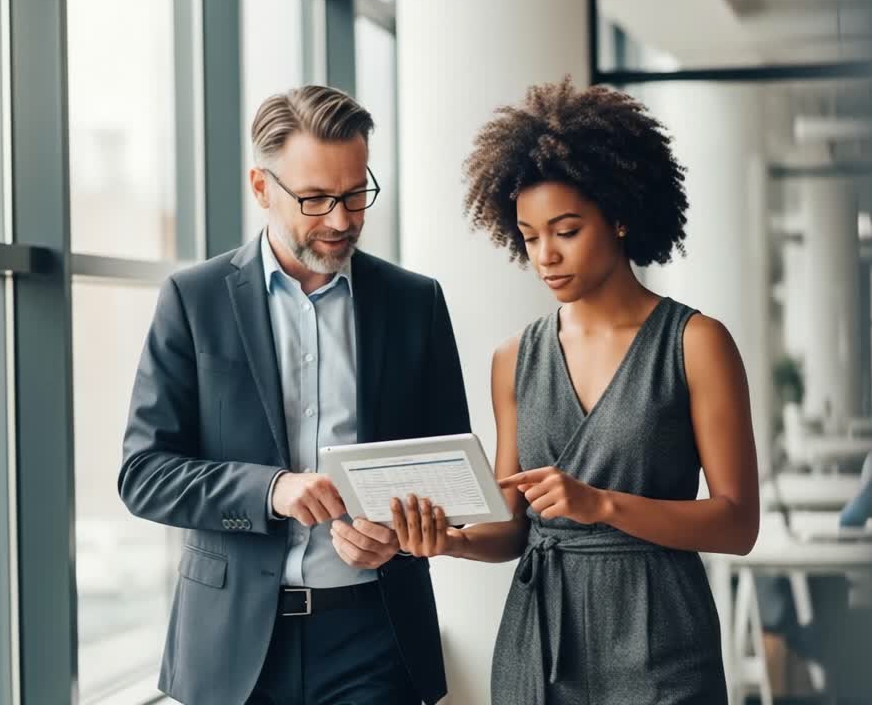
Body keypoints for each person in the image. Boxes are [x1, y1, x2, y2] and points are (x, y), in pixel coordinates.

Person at [390, 79, 761, 704]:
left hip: (662, 641)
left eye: (565, 230)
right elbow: (513, 529)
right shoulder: (513, 359)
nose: (545, 256)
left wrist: (602, 505)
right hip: (540, 644)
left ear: (618, 215)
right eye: (530, 237)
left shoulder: (696, 343)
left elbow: (737, 524)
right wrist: (447, 541)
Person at [119, 85, 470, 705]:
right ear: (261, 188)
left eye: (356, 193)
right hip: (230, 645)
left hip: (375, 635)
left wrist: (397, 533)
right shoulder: (192, 299)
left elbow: (451, 478)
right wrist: (272, 490)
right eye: (314, 199)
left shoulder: (416, 303)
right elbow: (144, 475)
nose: (341, 220)